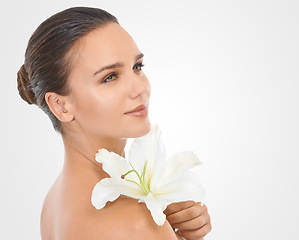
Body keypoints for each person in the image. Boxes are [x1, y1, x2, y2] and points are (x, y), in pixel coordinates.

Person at [17, 7, 211, 240]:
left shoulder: (55, 201)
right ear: (61, 106)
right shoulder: (135, 224)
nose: (141, 88)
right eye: (110, 77)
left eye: (137, 67)